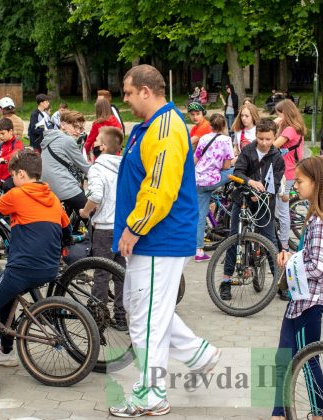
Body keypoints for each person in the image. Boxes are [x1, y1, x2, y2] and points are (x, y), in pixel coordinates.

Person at [110, 64, 220, 417]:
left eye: (128, 92)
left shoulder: (165, 127)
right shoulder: (153, 125)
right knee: (143, 309)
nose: (125, 99)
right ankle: (198, 354)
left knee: (146, 320)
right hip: (155, 238)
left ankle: (151, 393)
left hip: (159, 237)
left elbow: (159, 188)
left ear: (145, 91)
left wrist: (134, 227)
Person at [0, 149, 71, 395]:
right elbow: (67, 232)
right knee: (5, 292)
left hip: (23, 268)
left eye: (12, 176)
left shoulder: (18, 194)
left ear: (20, 174)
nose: (11, 180)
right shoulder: (52, 197)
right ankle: (6, 352)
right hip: (48, 268)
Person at [270, 156, 323, 420]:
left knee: (307, 358)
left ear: (316, 183)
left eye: (301, 181)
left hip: (310, 302)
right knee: (285, 355)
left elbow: (316, 267)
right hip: (301, 299)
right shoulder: (318, 216)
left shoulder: (321, 222)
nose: (295, 186)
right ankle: (278, 412)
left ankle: (318, 413)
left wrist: (290, 260)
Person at [220, 118, 285, 300]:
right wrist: (250, 183)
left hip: (265, 203)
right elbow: (237, 173)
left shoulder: (277, 157)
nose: (264, 143)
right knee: (235, 238)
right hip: (243, 199)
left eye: (268, 139)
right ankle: (226, 282)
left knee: (270, 240)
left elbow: (276, 182)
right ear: (256, 135)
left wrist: (264, 193)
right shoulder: (248, 151)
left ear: (274, 138)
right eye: (261, 138)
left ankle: (280, 283)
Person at [78, 126, 127, 330]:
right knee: (120, 273)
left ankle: (97, 317)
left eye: (97, 139)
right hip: (123, 227)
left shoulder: (97, 168)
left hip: (104, 227)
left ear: (104, 146)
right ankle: (121, 317)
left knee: (101, 274)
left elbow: (96, 195)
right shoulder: (125, 165)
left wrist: (85, 211)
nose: (94, 141)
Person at [40, 110, 90, 231]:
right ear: (63, 125)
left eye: (81, 129)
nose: (78, 132)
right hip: (65, 189)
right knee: (91, 217)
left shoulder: (50, 139)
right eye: (75, 127)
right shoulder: (67, 140)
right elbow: (85, 167)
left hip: (48, 188)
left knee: (64, 225)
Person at [194, 114, 234, 262]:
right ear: (224, 126)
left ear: (210, 125)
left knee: (200, 214)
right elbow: (226, 166)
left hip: (198, 179)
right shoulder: (226, 140)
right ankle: (230, 194)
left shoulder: (203, 138)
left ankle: (198, 250)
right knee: (235, 171)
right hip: (213, 180)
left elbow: (196, 159)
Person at [274, 99, 307, 251]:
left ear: (285, 113)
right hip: (290, 171)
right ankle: (283, 243)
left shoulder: (289, 130)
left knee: (282, 210)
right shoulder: (297, 128)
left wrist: (275, 125)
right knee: (282, 208)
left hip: (284, 173)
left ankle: (284, 246)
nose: (278, 116)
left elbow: (272, 145)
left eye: (279, 114)